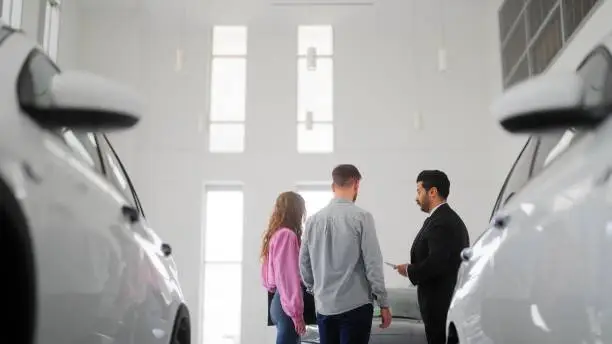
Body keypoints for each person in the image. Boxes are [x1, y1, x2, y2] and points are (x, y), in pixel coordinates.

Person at [299, 164, 392, 344]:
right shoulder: (362, 217)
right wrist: (384, 303)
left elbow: (303, 263)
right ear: (356, 184)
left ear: (333, 187)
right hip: (356, 307)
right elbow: (373, 264)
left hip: (325, 307)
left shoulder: (312, 221)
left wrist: (315, 289)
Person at [394, 170, 470, 344]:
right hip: (441, 302)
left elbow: (437, 262)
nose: (416, 197)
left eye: (419, 191)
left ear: (433, 192)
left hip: (440, 303)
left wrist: (409, 270)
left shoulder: (442, 222)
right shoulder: (440, 219)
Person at [261, 191, 310, 344]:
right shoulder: (287, 235)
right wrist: (296, 314)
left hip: (278, 302)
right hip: (286, 306)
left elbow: (268, 279)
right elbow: (288, 278)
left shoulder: (276, 234)